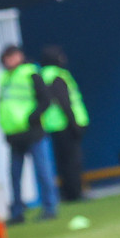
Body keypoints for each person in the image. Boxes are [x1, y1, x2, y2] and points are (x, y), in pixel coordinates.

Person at [0, 45, 58, 223]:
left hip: (33, 133)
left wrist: (32, 118)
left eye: (12, 56)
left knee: (43, 172)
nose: (10, 61)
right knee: (14, 176)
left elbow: (46, 100)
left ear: (20, 56)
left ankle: (50, 207)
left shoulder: (31, 73)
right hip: (14, 135)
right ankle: (17, 211)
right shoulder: (4, 77)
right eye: (7, 58)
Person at [40, 45, 89, 202]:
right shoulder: (57, 75)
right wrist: (74, 123)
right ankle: (75, 193)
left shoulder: (43, 75)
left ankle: (68, 193)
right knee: (72, 161)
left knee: (62, 161)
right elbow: (64, 101)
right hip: (65, 124)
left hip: (54, 125)